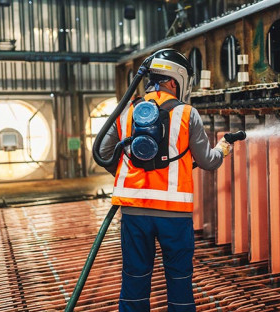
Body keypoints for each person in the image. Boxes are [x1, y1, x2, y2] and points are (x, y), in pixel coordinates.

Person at [99, 48, 232, 312]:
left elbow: (103, 153)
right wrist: (224, 147)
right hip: (174, 215)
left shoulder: (127, 111)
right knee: (179, 281)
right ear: (175, 80)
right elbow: (208, 161)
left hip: (134, 212)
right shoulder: (187, 113)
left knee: (135, 278)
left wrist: (128, 171)